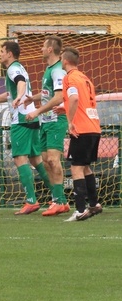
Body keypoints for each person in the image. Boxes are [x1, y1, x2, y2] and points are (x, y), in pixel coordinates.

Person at [0, 40, 49, 215]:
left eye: (1, 51)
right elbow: (10, 93)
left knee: (20, 159)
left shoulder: (13, 69)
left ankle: (31, 201)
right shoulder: (19, 67)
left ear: (9, 54)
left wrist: (19, 96)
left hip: (21, 119)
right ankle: (59, 198)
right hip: (31, 116)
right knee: (36, 160)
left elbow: (20, 84)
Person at [24, 36, 70, 216]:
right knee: (45, 161)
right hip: (46, 121)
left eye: (43, 46)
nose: (41, 49)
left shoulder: (58, 70)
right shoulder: (49, 69)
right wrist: (32, 98)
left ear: (50, 49)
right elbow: (48, 94)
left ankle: (58, 201)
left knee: (53, 159)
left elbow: (59, 98)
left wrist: (37, 111)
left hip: (56, 121)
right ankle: (60, 200)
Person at [60, 47, 103, 222]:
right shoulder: (85, 78)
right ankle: (94, 204)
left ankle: (79, 210)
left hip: (82, 129)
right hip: (94, 127)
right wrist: (64, 108)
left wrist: (70, 122)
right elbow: (81, 101)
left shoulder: (69, 78)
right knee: (85, 167)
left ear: (65, 61)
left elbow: (75, 99)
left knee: (76, 167)